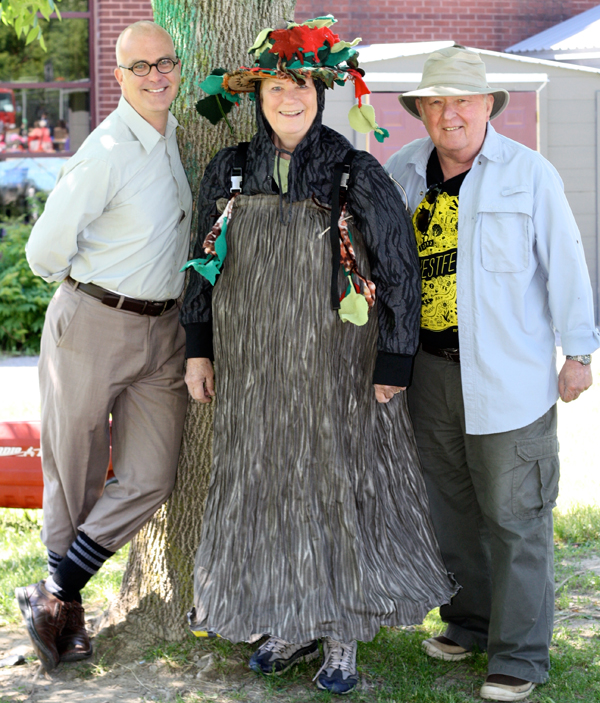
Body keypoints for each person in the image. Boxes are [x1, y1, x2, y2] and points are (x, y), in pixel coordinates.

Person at [181, 16, 457, 696]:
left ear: (322, 92)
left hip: (338, 368)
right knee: (270, 486)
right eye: (278, 84)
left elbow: (397, 268)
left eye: (303, 83)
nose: (291, 96)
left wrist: (395, 360)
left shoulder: (352, 170)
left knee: (334, 488)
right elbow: (200, 264)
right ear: (258, 94)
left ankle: (339, 633)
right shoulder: (230, 169)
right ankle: (289, 619)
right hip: (253, 369)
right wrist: (199, 348)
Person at [385, 46, 600, 702]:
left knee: (515, 514)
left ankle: (520, 655)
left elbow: (564, 260)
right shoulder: (400, 173)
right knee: (450, 512)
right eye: (436, 102)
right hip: (429, 374)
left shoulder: (528, 174)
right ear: (421, 110)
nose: (450, 114)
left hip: (509, 377)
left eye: (463, 101)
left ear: (486, 107)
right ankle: (469, 623)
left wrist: (580, 353)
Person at [18, 20, 192, 672]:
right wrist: (86, 288)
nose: (155, 76)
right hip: (92, 322)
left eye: (164, 63)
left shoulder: (174, 131)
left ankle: (56, 590)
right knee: (76, 473)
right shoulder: (107, 148)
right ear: (117, 77)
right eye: (139, 67)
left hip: (164, 332)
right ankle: (71, 620)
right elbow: (41, 252)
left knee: (152, 474)